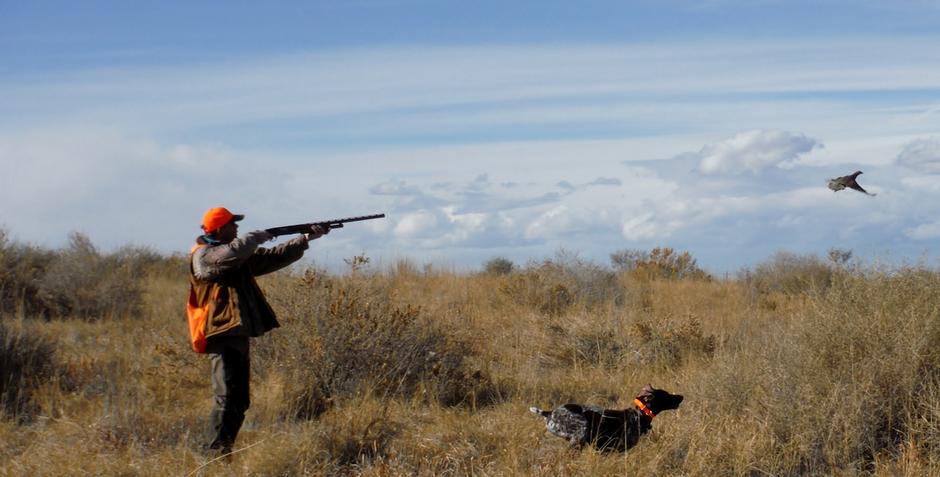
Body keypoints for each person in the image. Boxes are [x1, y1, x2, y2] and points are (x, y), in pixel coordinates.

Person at [187, 206, 328, 456]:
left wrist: (305, 239)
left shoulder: (237, 255)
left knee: (239, 400)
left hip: (236, 332)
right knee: (227, 398)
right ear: (220, 229)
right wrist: (255, 237)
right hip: (220, 333)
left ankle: (221, 453)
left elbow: (271, 257)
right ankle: (212, 456)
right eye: (233, 224)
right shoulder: (203, 255)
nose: (237, 227)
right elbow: (221, 259)